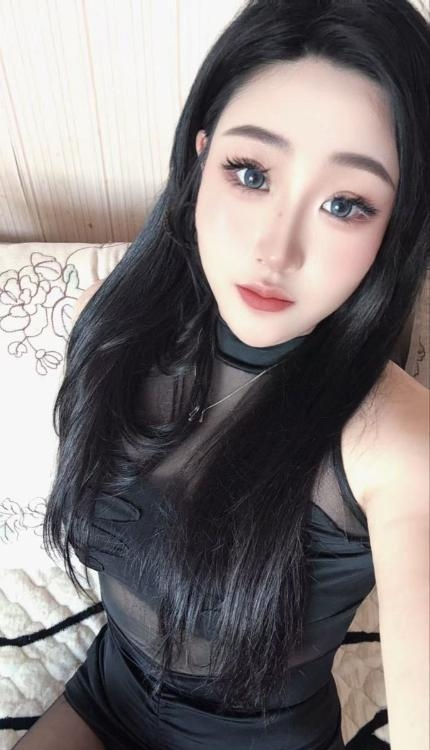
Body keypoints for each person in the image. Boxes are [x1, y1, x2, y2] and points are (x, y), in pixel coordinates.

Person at [13, 0, 429, 748]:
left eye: (345, 203)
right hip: (110, 696)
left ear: (397, 225)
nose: (277, 249)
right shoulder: (111, 327)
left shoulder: (394, 441)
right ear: (202, 158)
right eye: (251, 172)